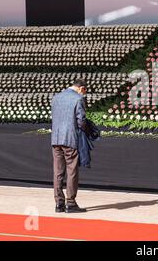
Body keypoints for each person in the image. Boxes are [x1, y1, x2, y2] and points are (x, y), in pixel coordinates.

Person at [51, 79, 88, 213]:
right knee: (72, 170)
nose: (84, 94)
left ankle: (58, 203)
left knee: (58, 171)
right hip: (70, 138)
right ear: (81, 88)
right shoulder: (78, 99)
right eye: (84, 91)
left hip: (56, 138)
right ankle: (70, 203)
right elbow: (81, 121)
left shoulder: (56, 97)